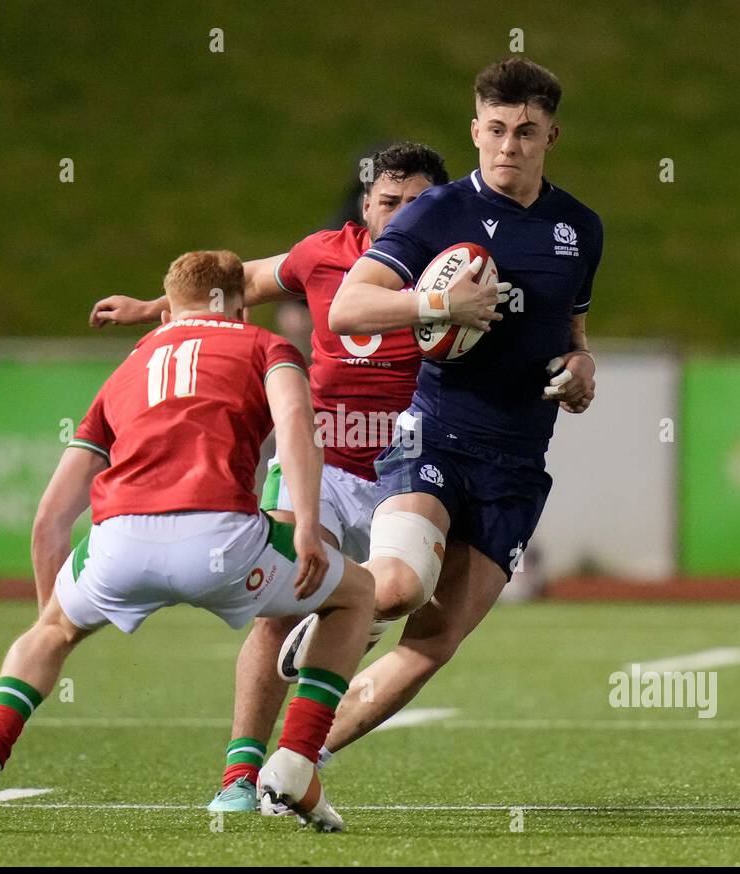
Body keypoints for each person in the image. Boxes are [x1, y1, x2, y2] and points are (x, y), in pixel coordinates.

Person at [87, 143, 467, 812]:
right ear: (364, 206)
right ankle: (239, 778)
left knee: (401, 595)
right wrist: (154, 308)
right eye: (389, 203)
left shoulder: (459, 269)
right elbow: (247, 282)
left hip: (408, 468)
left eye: (419, 203)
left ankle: (335, 656)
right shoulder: (324, 254)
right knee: (276, 609)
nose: (404, 215)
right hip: (319, 466)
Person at [0, 250, 374, 833]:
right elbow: (298, 429)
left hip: (119, 542)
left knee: (48, 632)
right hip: (221, 539)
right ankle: (295, 759)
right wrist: (304, 525)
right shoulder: (266, 347)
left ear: (170, 304)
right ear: (240, 303)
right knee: (357, 594)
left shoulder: (131, 364)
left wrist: (55, 616)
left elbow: (50, 518)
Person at [311, 55, 604, 756]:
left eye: (526, 131)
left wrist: (582, 368)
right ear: (475, 131)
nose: (510, 145)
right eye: (497, 129)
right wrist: (439, 302)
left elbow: (573, 332)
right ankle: (318, 616)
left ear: (551, 137)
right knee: (395, 591)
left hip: (518, 460)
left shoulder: (580, 229)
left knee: (434, 642)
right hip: (435, 436)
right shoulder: (439, 210)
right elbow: (348, 309)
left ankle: (296, 762)